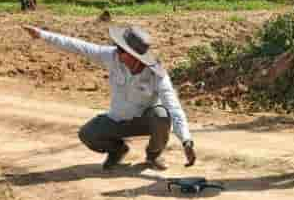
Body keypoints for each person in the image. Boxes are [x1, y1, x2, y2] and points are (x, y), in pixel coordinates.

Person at [23, 23, 197, 171]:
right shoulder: (111, 56)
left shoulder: (156, 75)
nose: (117, 51)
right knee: (88, 133)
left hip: (146, 121)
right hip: (118, 120)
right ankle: (117, 150)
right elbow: (78, 46)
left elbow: (174, 108)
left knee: (162, 115)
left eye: (122, 50)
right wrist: (42, 35)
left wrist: (186, 141)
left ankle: (153, 155)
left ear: (135, 56)